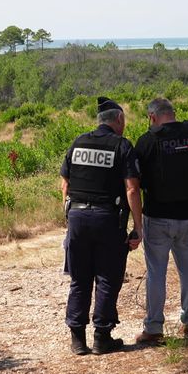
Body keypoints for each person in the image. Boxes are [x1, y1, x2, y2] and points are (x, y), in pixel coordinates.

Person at [60, 96, 143, 355]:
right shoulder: (122, 146)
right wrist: (138, 227)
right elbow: (132, 188)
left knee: (79, 279)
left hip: (77, 218)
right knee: (107, 278)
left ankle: (77, 339)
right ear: (118, 120)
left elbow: (65, 182)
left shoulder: (78, 142)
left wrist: (68, 214)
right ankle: (101, 337)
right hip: (107, 219)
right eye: (124, 121)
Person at [134, 97, 188, 344]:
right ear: (173, 113)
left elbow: (136, 181)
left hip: (157, 216)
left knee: (156, 272)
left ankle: (154, 328)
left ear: (152, 117)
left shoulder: (147, 141)